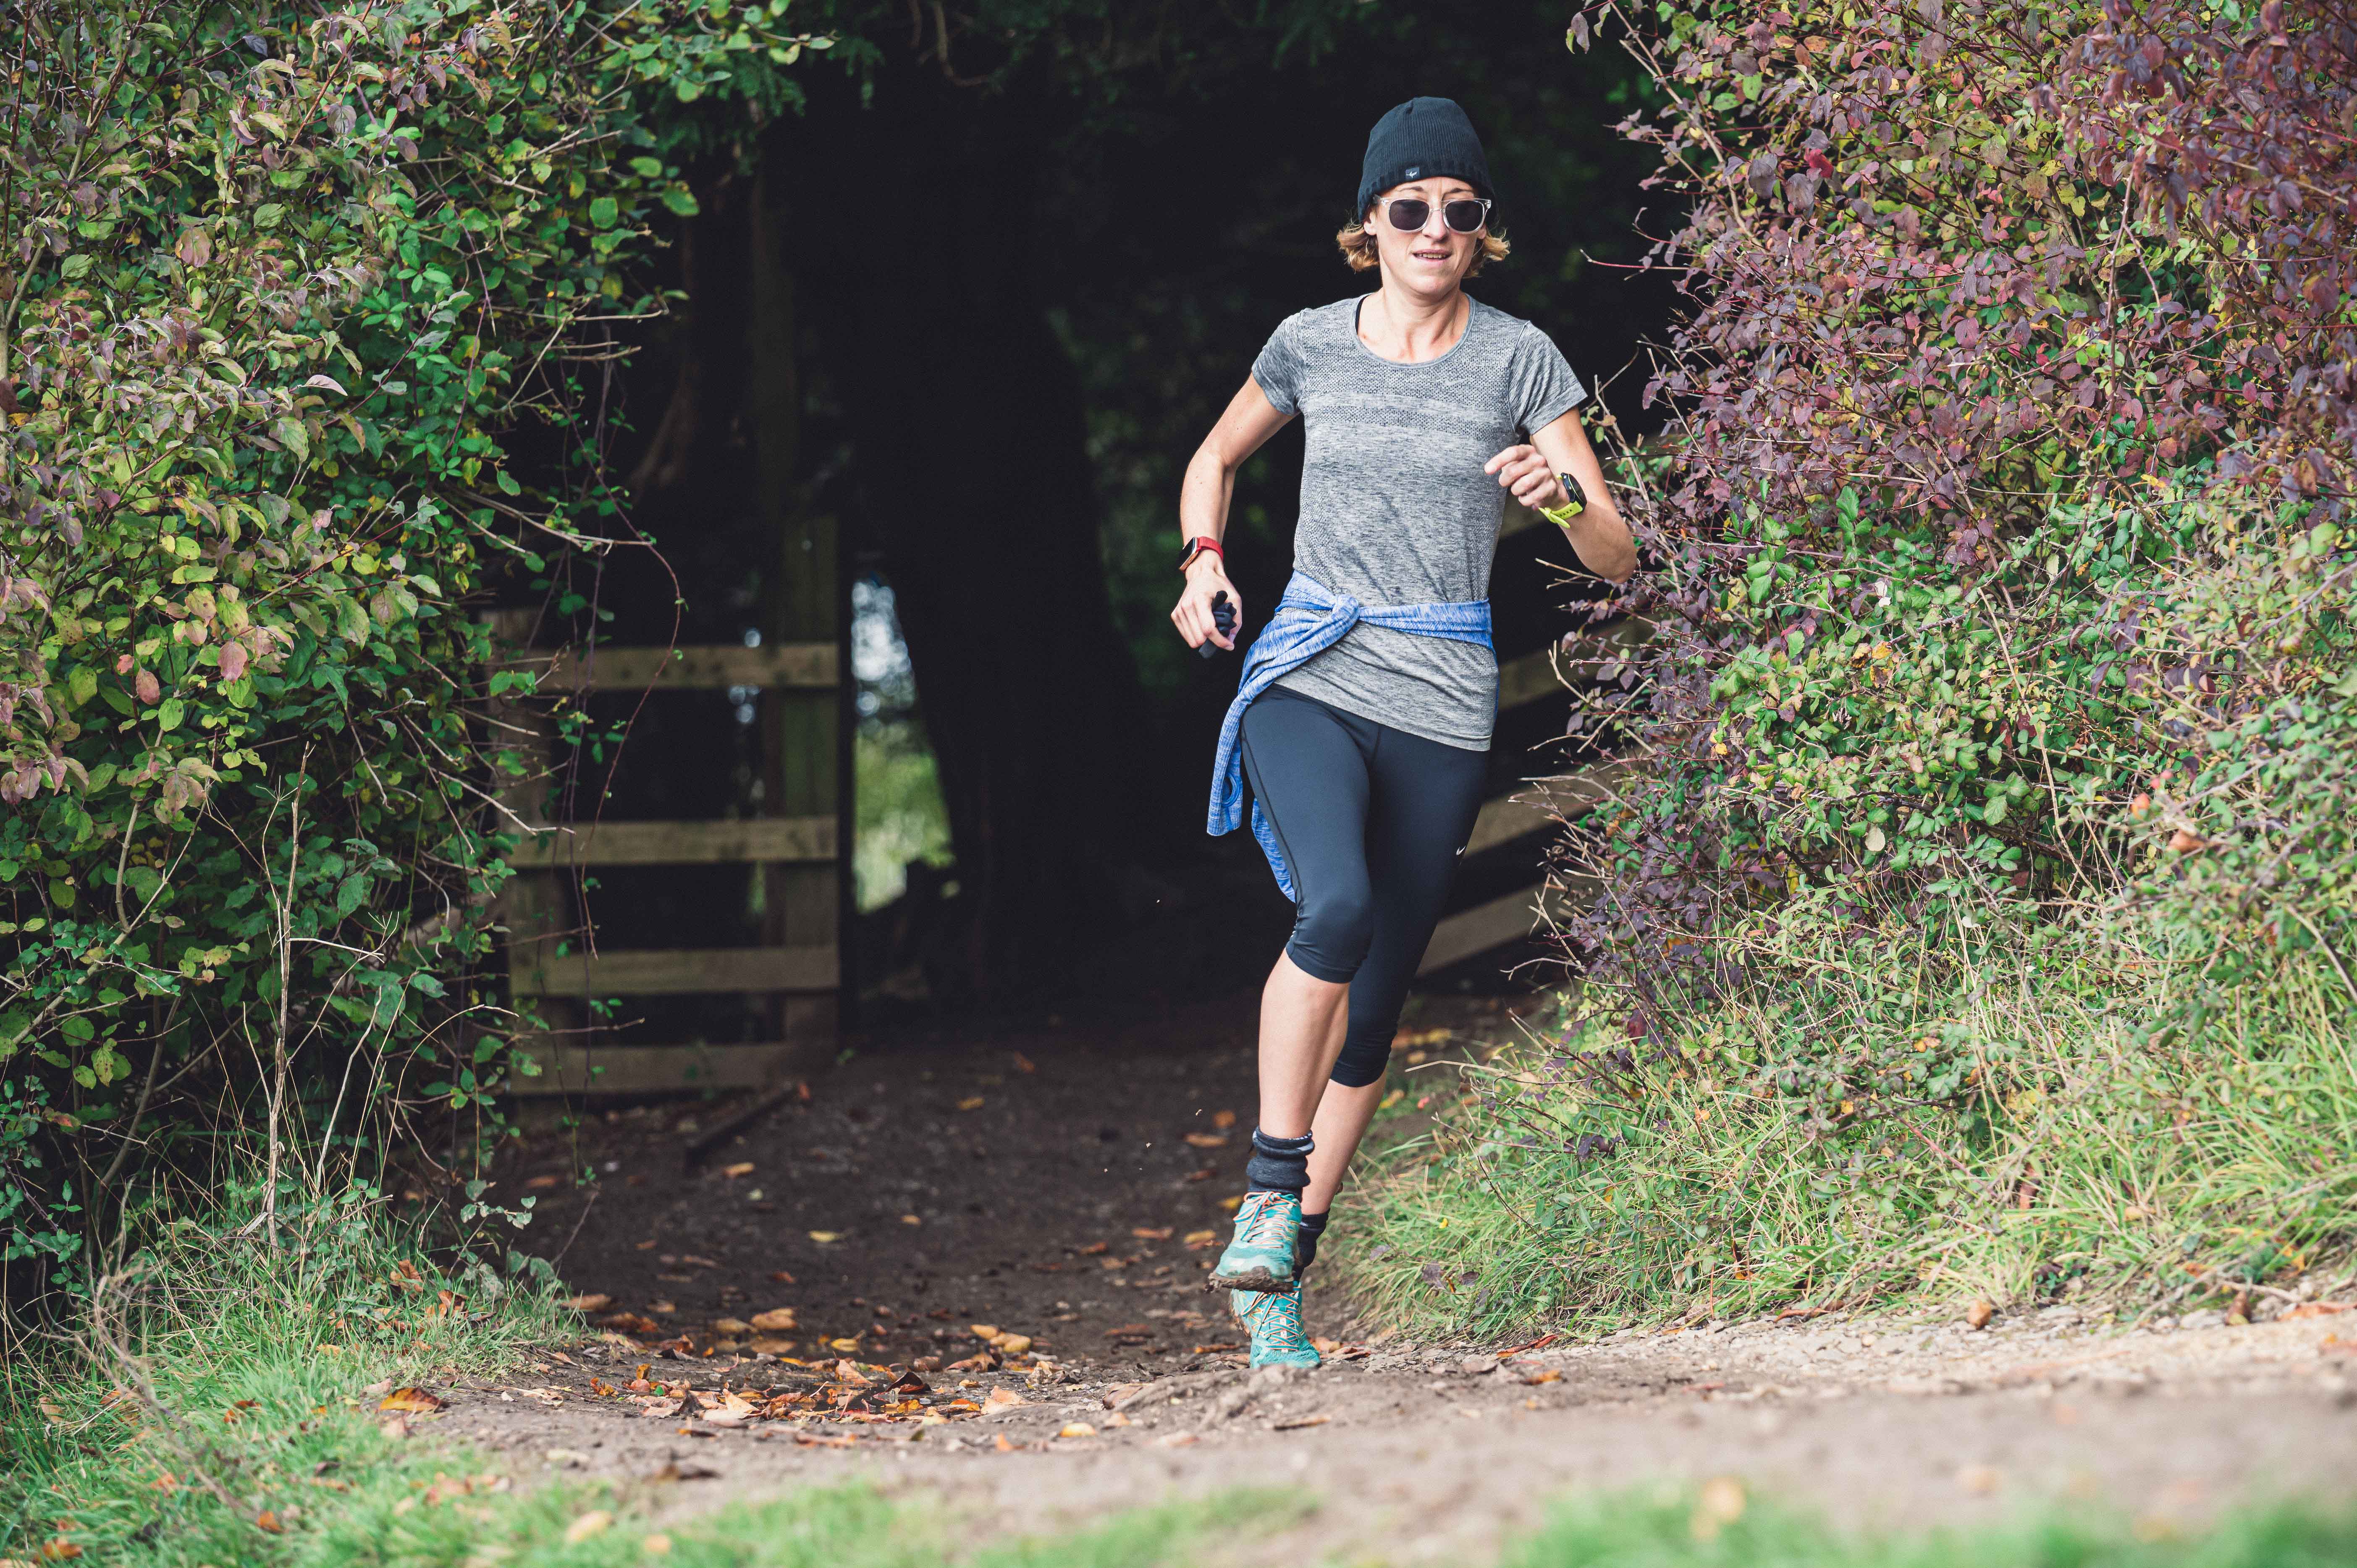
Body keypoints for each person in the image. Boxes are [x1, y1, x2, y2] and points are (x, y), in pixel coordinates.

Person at [1172, 97, 1636, 1367]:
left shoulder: (1522, 361)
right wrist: (1204, 560)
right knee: (1337, 910)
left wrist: (1561, 500)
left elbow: (1618, 554)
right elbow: (1214, 458)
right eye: (1411, 206)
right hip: (1314, 666)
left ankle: (1280, 1276)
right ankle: (1269, 1188)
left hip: (1442, 696)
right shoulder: (1310, 344)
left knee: (1373, 1014)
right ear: (1370, 223)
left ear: (1484, 230)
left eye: (1459, 209)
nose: (1436, 227)